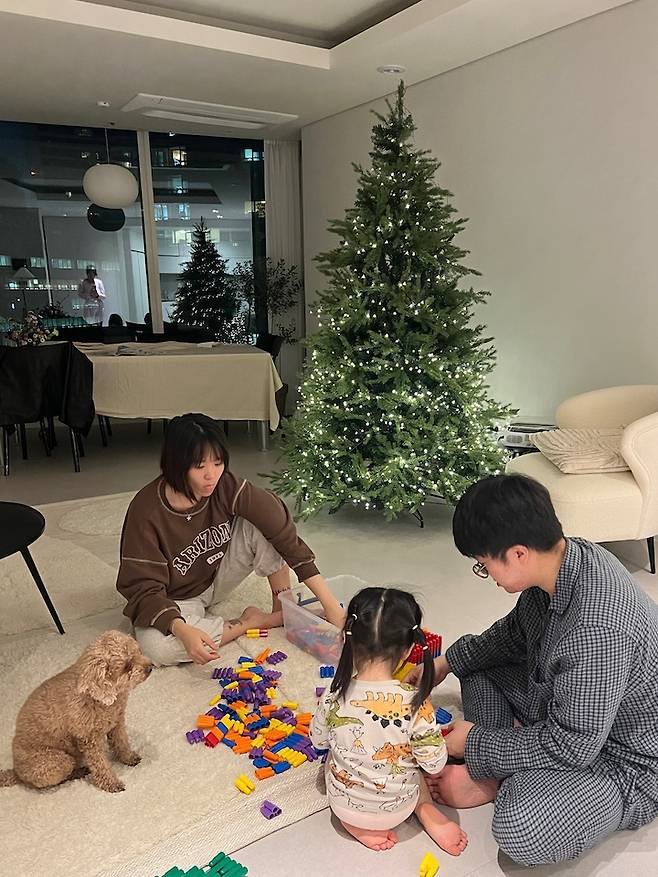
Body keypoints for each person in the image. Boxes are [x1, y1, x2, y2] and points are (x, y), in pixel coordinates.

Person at [409, 474, 658, 866]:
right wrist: (445, 663)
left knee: (521, 826)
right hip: (565, 705)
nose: (487, 576)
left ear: (519, 554)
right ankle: (501, 765)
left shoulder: (597, 629)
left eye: (484, 565)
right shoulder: (566, 560)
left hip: (623, 757)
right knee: (475, 665)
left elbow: (572, 746)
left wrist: (475, 745)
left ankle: (496, 776)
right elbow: (513, 633)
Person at [116, 413, 344, 667]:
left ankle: (282, 608)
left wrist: (331, 606)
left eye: (218, 463)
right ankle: (251, 622)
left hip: (218, 575)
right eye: (199, 466)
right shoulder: (146, 511)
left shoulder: (224, 485)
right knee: (159, 650)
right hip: (176, 599)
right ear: (176, 464)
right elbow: (142, 589)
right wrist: (182, 629)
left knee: (264, 522)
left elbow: (281, 530)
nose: (211, 475)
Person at [310, 586, 468, 856]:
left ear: (347, 638)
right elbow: (434, 764)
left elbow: (318, 741)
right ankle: (425, 809)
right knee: (413, 767)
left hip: (344, 807)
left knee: (332, 757)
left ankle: (354, 825)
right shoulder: (417, 702)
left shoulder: (334, 693)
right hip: (399, 809)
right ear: (408, 650)